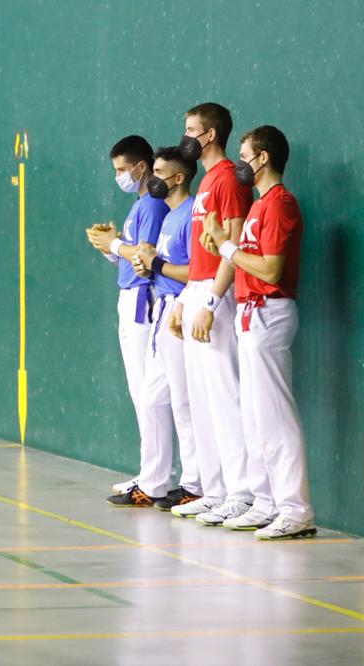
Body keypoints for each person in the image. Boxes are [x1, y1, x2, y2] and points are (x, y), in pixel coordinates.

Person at [200, 125, 315, 540]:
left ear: (263, 158)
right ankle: (266, 502)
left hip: (270, 313)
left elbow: (270, 269)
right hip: (251, 316)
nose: (241, 163)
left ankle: (296, 510)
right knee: (253, 417)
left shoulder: (281, 204)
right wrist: (219, 243)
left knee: (274, 416)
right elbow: (243, 258)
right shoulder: (259, 207)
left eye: (246, 156)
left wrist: (227, 248)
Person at [167, 102, 257, 527]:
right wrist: (186, 299)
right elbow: (202, 254)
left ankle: (243, 493)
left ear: (212, 134)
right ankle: (216, 490)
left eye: (191, 129)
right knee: (202, 401)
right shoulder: (205, 183)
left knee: (225, 397)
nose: (185, 136)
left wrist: (211, 302)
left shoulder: (229, 181)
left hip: (220, 298)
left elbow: (234, 245)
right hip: (198, 292)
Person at [86, 138, 171, 506]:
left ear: (142, 166)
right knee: (141, 394)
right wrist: (111, 245)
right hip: (129, 297)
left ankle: (156, 479)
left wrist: (116, 245)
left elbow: (144, 256)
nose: (119, 176)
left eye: (122, 169)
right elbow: (129, 253)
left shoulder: (151, 204)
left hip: (143, 302)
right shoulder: (139, 204)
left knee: (148, 395)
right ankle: (149, 472)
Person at [130, 148, 203, 511]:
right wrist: (149, 267)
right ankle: (153, 483)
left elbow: (195, 272)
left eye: (159, 171)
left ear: (177, 178)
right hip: (162, 308)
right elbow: (163, 266)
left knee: (184, 402)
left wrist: (156, 264)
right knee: (154, 398)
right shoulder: (171, 216)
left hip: (180, 312)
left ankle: (195, 483)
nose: (152, 177)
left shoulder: (191, 214)